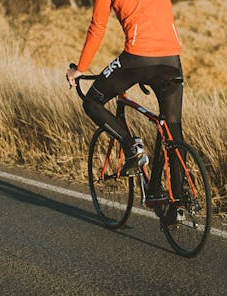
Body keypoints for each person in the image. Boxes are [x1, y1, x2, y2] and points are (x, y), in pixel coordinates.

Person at [66, 0, 185, 222]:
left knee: (91, 102)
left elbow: (97, 26)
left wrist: (79, 69)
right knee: (173, 129)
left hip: (136, 58)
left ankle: (132, 148)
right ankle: (178, 204)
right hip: (171, 59)